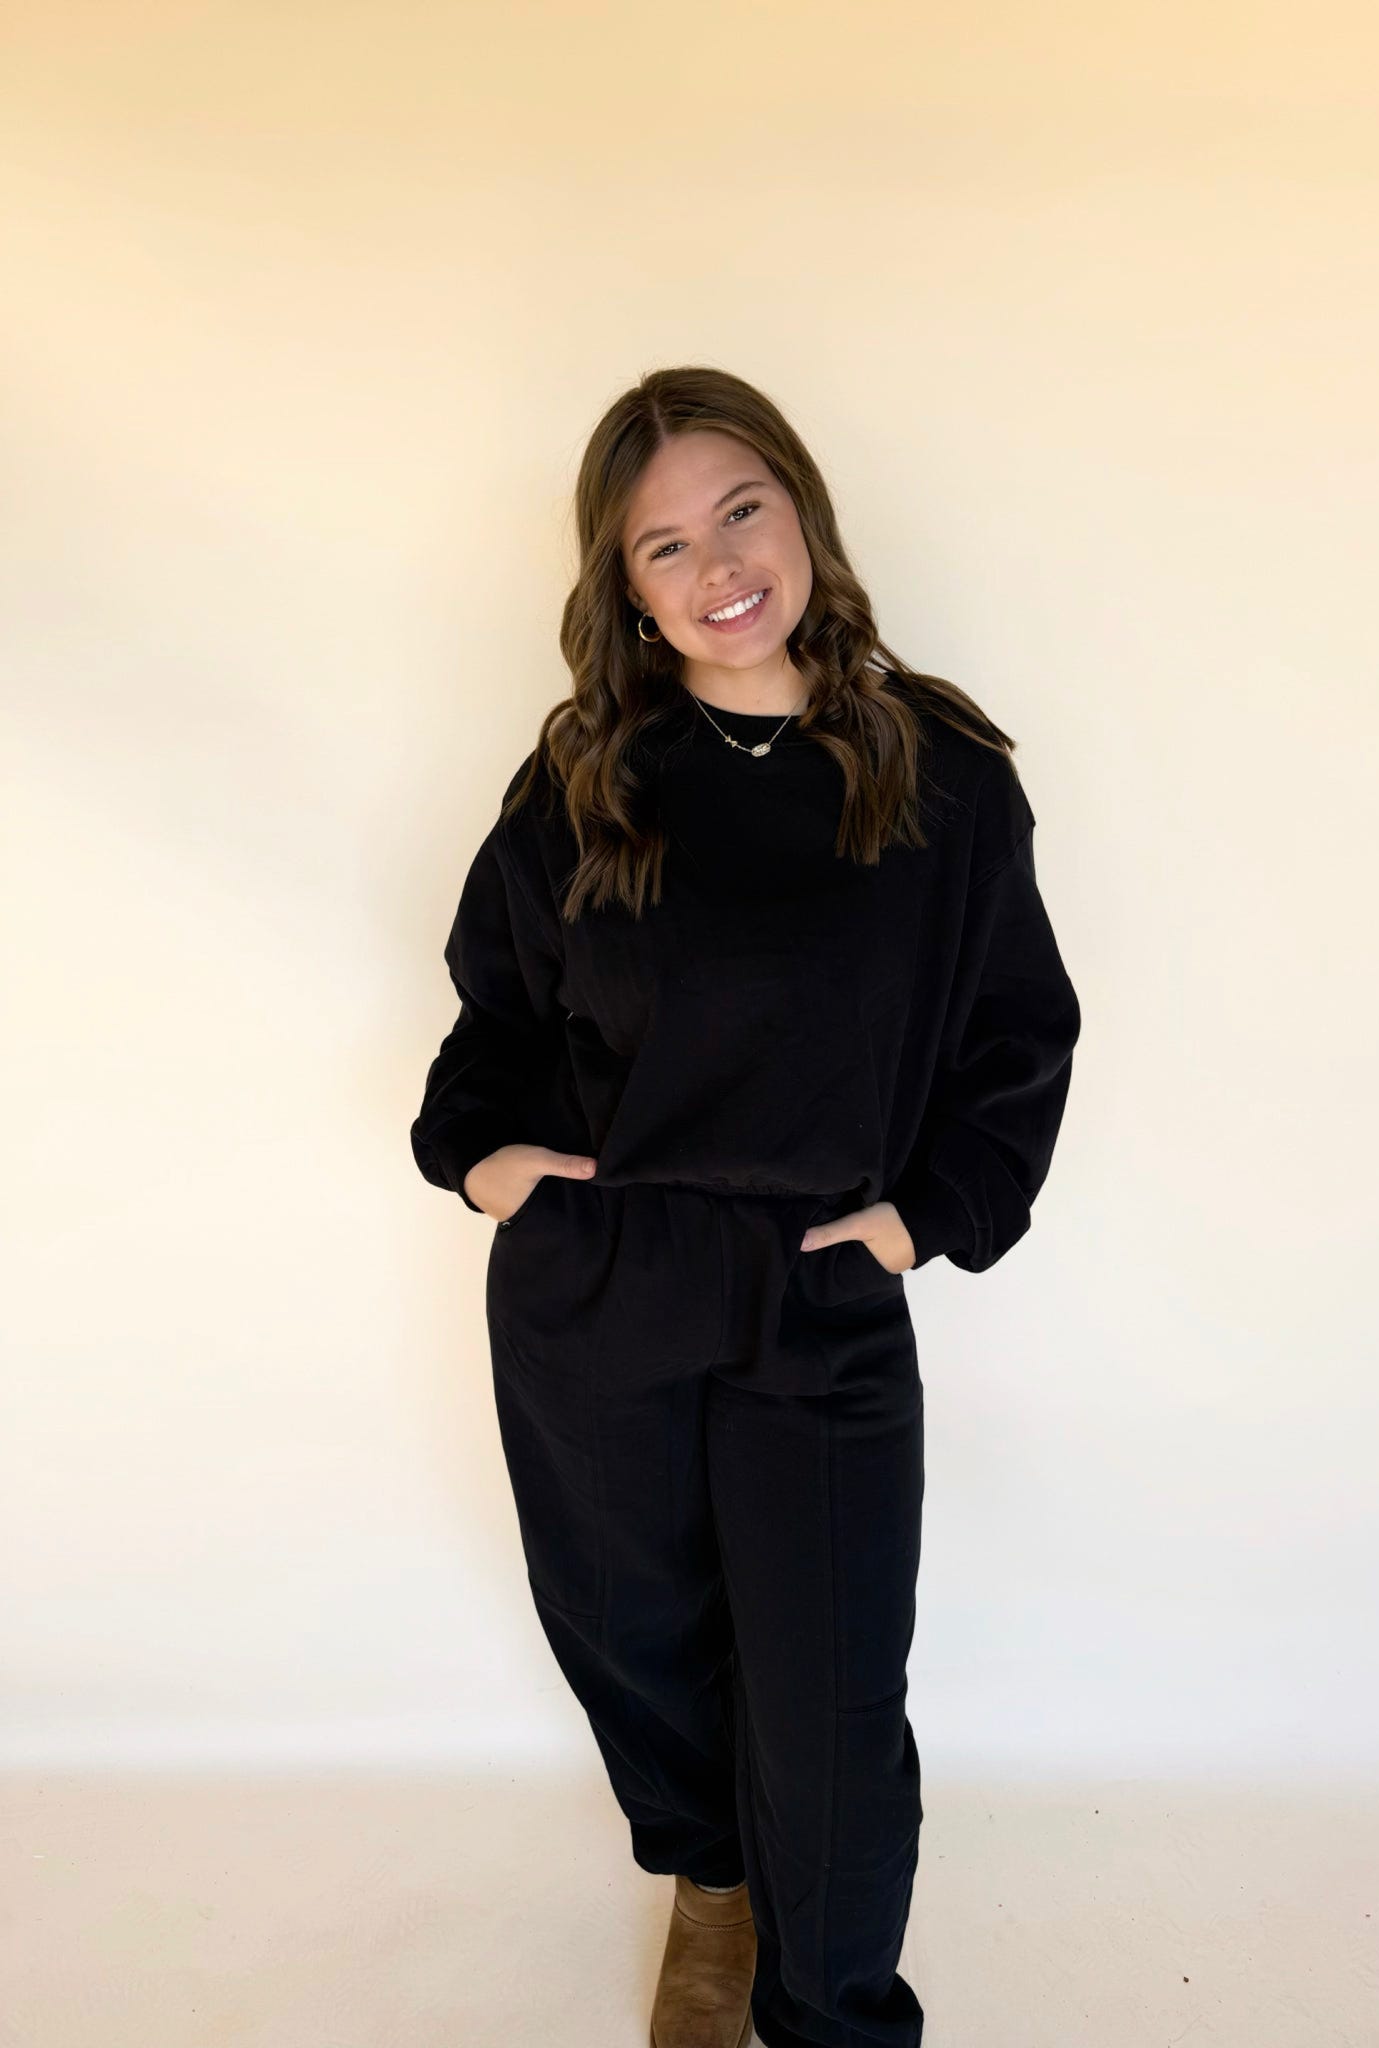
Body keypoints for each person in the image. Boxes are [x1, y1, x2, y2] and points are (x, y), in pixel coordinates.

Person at [409, 365, 1082, 2048]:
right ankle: (711, 1881)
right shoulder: (586, 776)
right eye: (661, 546)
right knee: (638, 1634)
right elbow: (493, 1015)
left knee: (834, 1700)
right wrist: (484, 1159)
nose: (716, 565)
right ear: (621, 591)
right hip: (606, 1287)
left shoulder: (939, 777)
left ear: (802, 512)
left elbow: (1018, 1031)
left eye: (740, 510)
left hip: (816, 1290)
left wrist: (926, 1217)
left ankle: (832, 2007)